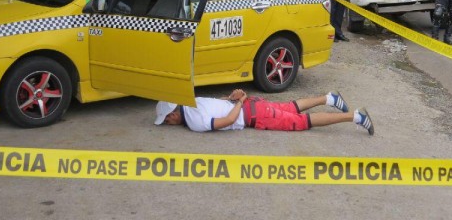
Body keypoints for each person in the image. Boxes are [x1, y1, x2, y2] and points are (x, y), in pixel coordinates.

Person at [155, 89, 374, 135]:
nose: (168, 123)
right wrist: (235, 98)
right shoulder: (193, 101)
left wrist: (239, 101)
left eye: (165, 120)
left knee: (302, 122)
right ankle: (329, 98)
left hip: (254, 114)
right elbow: (221, 102)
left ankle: (355, 116)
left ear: (172, 113)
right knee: (291, 107)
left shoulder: (194, 122)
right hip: (256, 106)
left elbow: (230, 119)